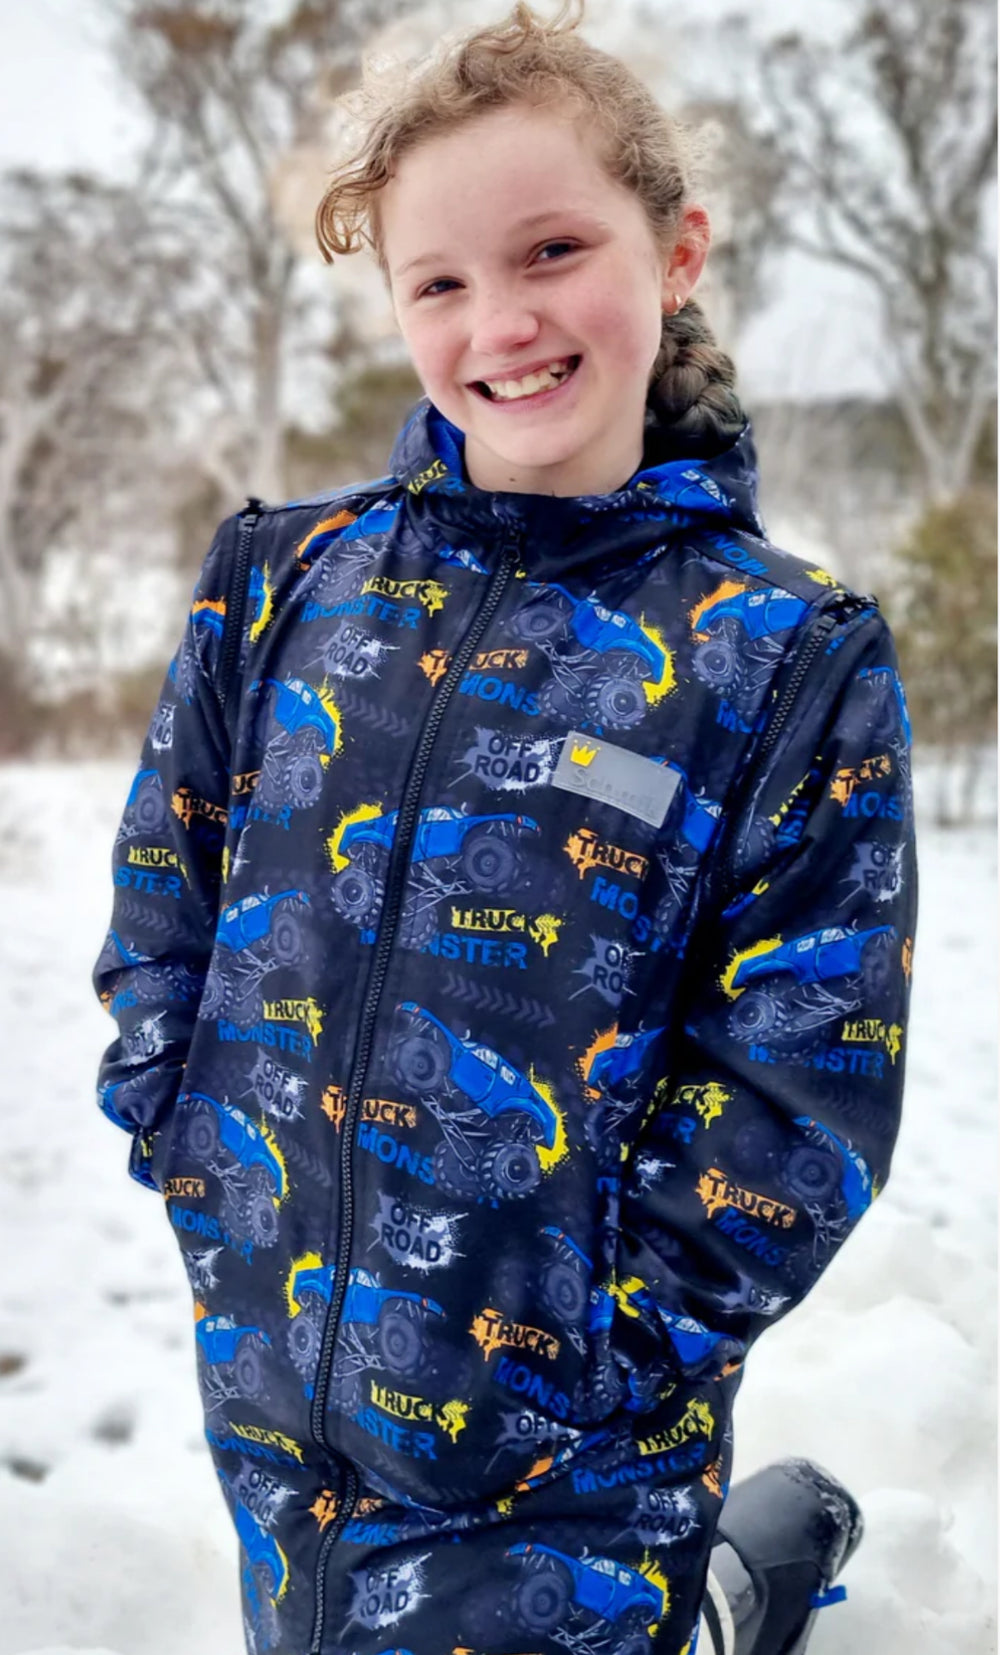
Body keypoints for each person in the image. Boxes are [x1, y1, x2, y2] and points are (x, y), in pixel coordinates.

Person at [91, 4, 917, 1653]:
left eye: (554, 250)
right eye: (441, 282)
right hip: (274, 1384)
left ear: (675, 253)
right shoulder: (280, 580)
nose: (503, 322)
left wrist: (600, 1353)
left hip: (569, 1461)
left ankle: (731, 1588)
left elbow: (803, 1084)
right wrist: (187, 1151)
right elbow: (165, 891)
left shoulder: (783, 654)